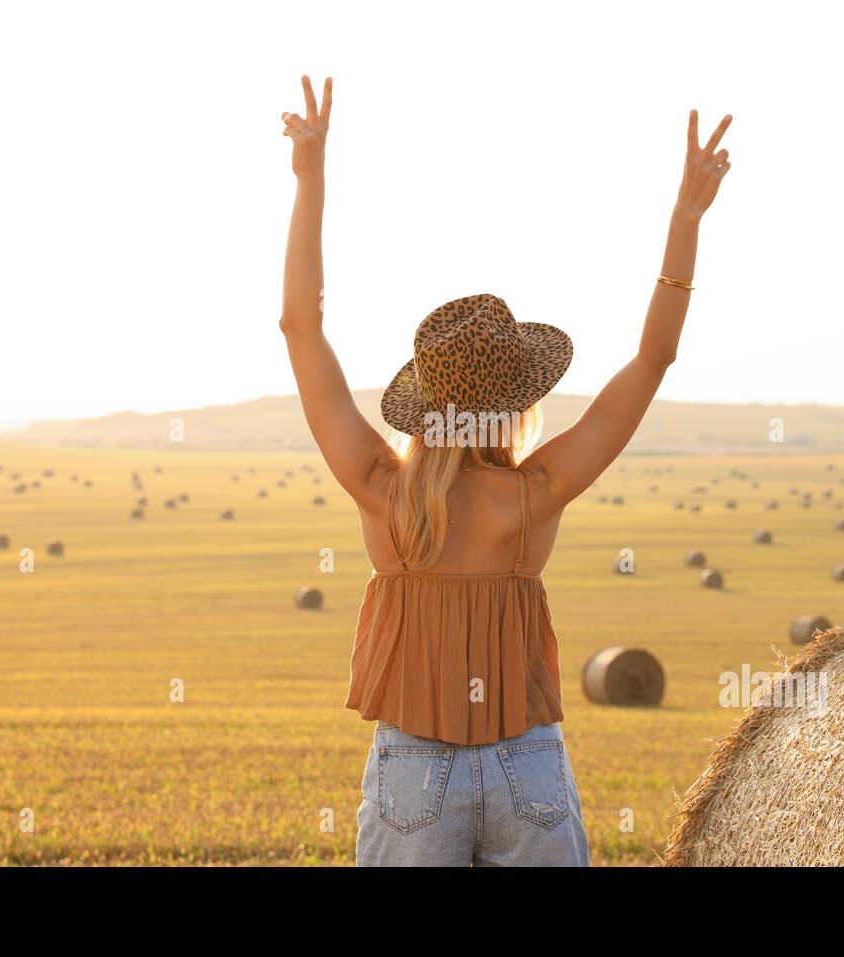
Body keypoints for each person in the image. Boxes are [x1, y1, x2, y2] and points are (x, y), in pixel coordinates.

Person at [278, 75, 732, 866]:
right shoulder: (536, 494)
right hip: (529, 766)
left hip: (413, 770)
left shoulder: (381, 491)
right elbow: (654, 358)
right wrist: (686, 220)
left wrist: (310, 178)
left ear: (428, 402)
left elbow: (299, 325)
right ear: (518, 401)